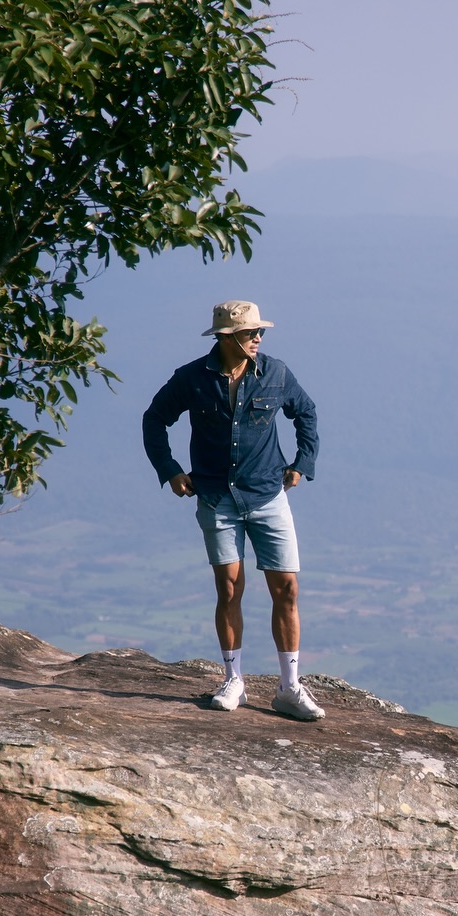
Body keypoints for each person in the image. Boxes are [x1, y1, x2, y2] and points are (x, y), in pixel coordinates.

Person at [142, 299, 325, 721]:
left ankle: (290, 688)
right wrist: (169, 471)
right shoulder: (191, 379)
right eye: (250, 333)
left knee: (288, 590)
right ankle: (233, 680)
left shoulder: (276, 373)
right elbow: (154, 419)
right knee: (229, 589)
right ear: (227, 337)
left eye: (260, 332)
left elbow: (307, 413)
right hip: (215, 498)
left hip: (267, 495)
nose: (258, 338)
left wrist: (303, 463)